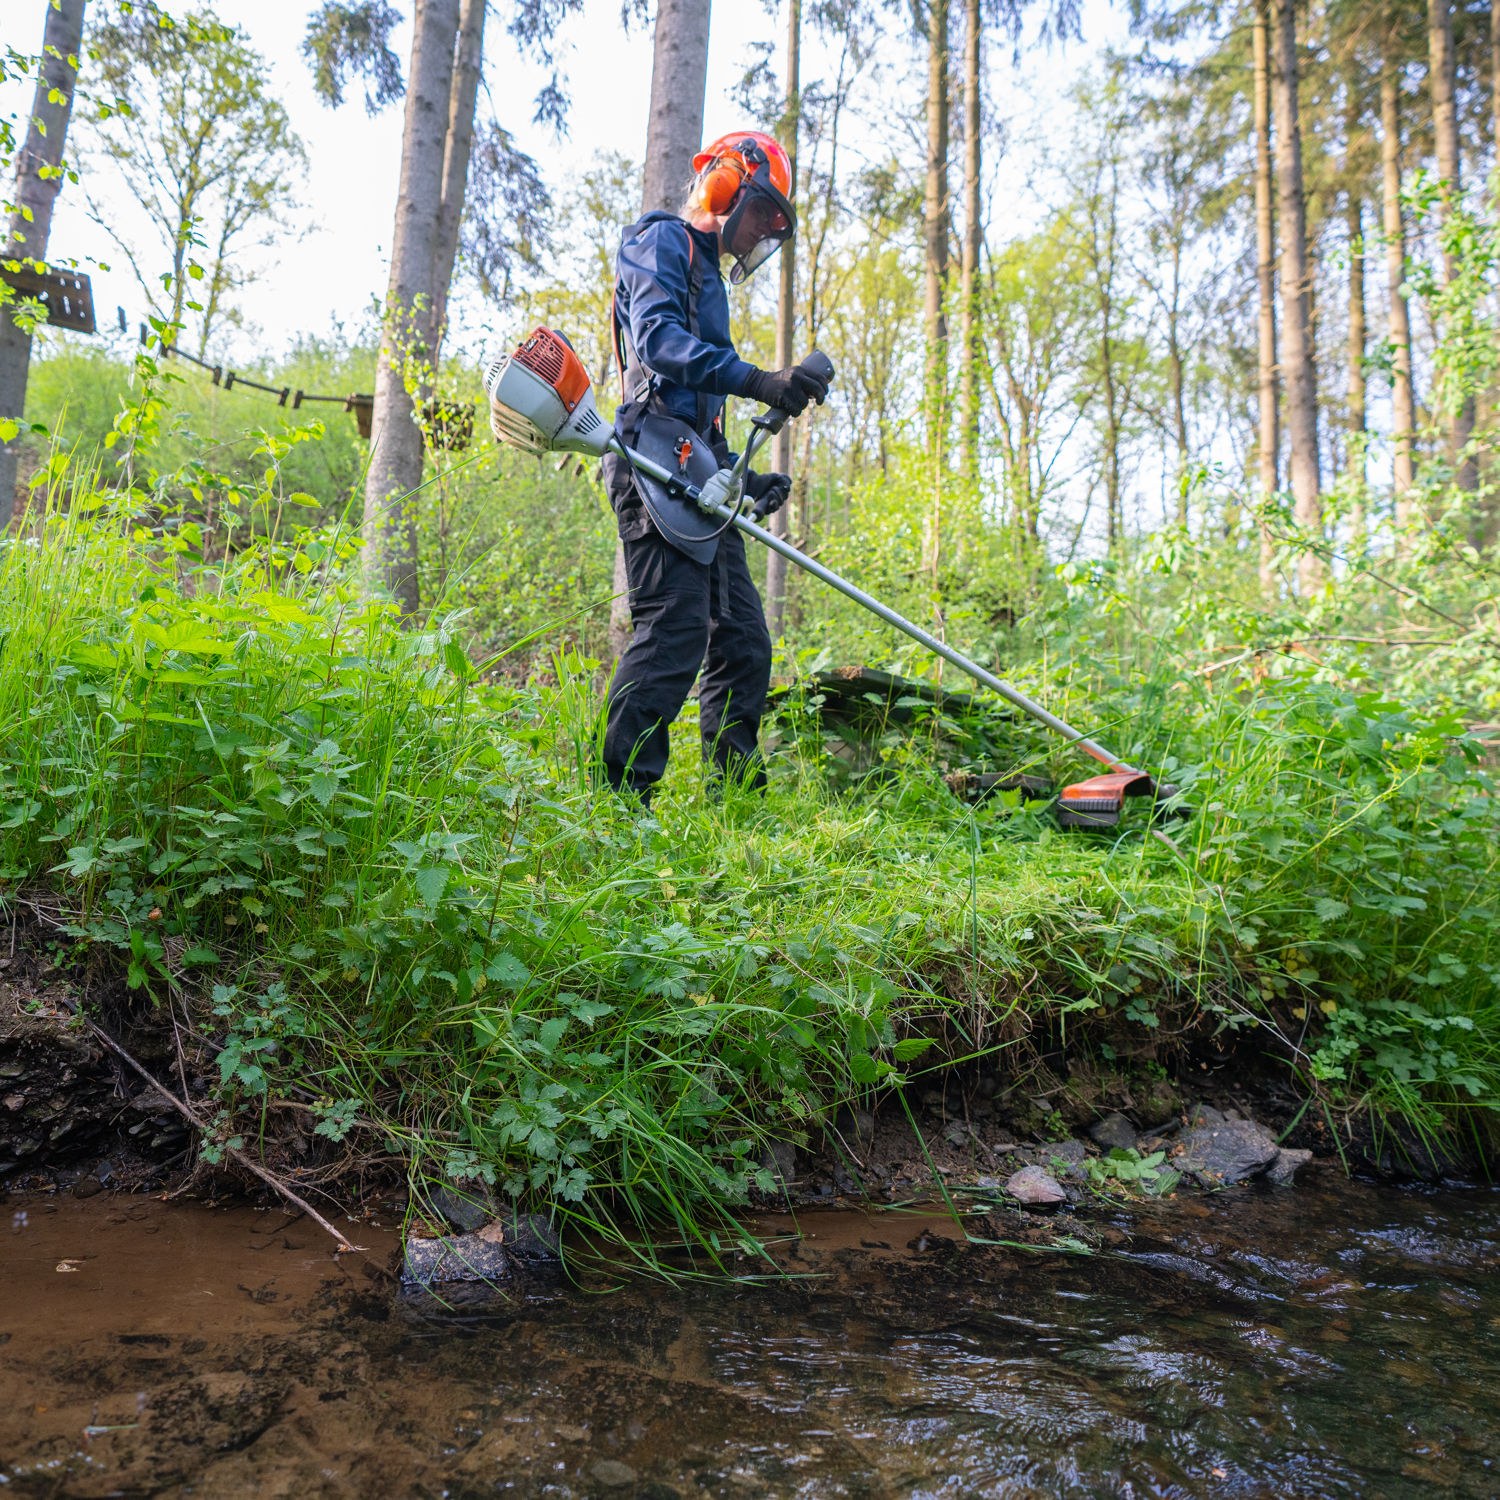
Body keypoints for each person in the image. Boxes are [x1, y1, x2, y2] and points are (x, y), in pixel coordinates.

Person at [600, 130, 830, 805]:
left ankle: (734, 802)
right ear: (727, 182)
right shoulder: (659, 242)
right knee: (673, 633)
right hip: (650, 458)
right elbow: (661, 344)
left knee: (744, 641)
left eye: (773, 225)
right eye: (762, 211)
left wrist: (746, 478)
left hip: (699, 472)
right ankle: (620, 805)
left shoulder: (715, 284)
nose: (762, 230)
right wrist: (760, 380)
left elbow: (706, 412)